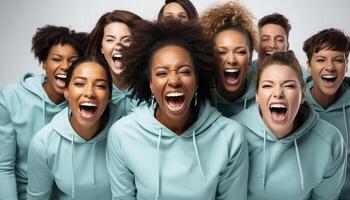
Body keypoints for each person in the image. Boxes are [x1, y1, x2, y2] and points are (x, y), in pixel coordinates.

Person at [106, 20, 248, 200]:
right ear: (150, 83)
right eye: (161, 73)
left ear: (197, 80)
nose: (174, 81)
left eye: (184, 71)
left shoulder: (230, 136)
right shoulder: (122, 134)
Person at [232, 51, 347, 199]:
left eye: (289, 86)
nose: (278, 93)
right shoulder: (233, 134)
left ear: (303, 94)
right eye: (268, 86)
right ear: (257, 95)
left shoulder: (330, 141)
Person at [0, 25, 85, 200]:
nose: (65, 66)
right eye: (56, 59)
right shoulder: (11, 97)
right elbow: (3, 166)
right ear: (44, 62)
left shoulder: (85, 105)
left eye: (73, 60)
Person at [26, 56, 121, 200]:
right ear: (67, 92)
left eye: (100, 86)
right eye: (79, 84)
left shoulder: (125, 135)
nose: (89, 93)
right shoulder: (43, 143)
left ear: (109, 96)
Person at [303, 28, 350, 199]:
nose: (329, 67)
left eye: (338, 60)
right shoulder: (294, 105)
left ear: (346, 65)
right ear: (308, 66)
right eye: (321, 60)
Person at [200, 1, 258, 117]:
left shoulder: (266, 95)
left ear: (250, 56)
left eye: (240, 52)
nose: (231, 60)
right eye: (222, 52)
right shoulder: (200, 97)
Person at [85, 10, 142, 116]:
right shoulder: (90, 92)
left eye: (127, 40)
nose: (118, 46)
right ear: (101, 47)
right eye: (110, 40)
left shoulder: (151, 87)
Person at [251, 13, 308, 79]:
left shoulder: (303, 75)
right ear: (256, 45)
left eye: (279, 40)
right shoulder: (246, 74)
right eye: (265, 39)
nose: (272, 45)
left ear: (287, 46)